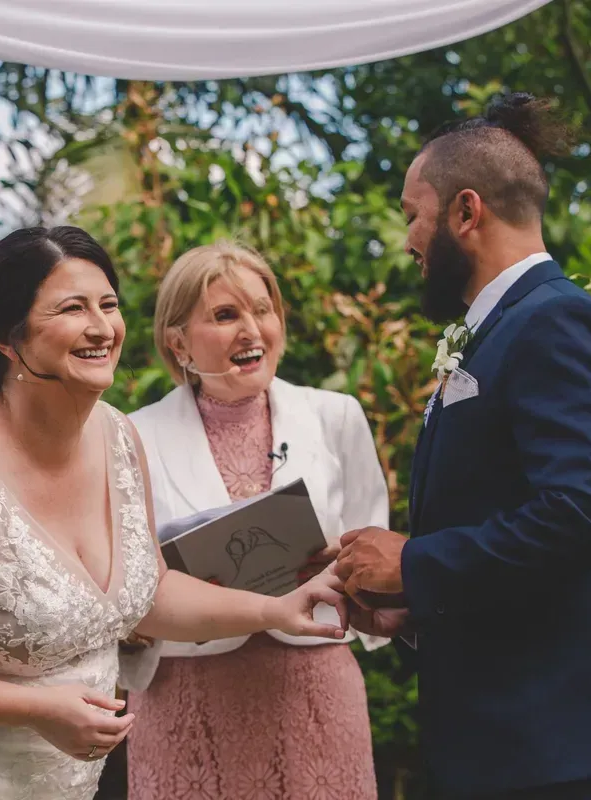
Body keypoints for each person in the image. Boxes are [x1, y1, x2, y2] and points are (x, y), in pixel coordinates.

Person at [0, 226, 350, 800]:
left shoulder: (118, 438)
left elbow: (149, 594)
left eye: (108, 305)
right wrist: (34, 708)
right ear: (9, 340)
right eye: (71, 309)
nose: (101, 327)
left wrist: (276, 609)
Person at [333, 93, 591, 799]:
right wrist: (416, 597)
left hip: (570, 751)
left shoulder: (559, 320)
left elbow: (585, 515)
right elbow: (519, 520)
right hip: (514, 747)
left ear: (466, 213)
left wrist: (414, 557)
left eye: (414, 213)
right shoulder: (506, 326)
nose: (407, 238)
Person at [121, 242, 390, 799]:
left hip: (313, 689)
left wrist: (343, 568)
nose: (252, 330)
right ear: (177, 341)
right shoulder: (131, 436)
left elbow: (379, 560)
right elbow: (123, 591)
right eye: (225, 315)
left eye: (262, 310)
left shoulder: (336, 417)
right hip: (188, 699)